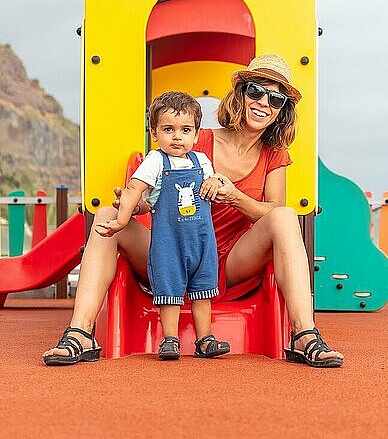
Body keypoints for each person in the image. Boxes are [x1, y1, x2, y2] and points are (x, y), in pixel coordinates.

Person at [43, 54, 344, 368]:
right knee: (105, 215)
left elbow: (272, 212)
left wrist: (235, 196)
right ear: (241, 94)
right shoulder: (196, 140)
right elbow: (159, 194)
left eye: (276, 98)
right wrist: (133, 205)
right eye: (255, 91)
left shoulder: (274, 155)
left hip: (227, 260)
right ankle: (80, 333)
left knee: (285, 216)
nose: (263, 103)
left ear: (282, 110)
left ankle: (303, 334)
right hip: (169, 250)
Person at [95, 91, 230, 360]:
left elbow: (215, 181)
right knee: (170, 291)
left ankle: (205, 340)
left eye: (185, 130)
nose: (177, 136)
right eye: (168, 129)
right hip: (168, 245)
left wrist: (216, 181)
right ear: (154, 132)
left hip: (202, 242)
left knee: (203, 291)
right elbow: (135, 188)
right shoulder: (156, 161)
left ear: (196, 134)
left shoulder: (201, 160)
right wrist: (121, 220)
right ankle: (170, 339)